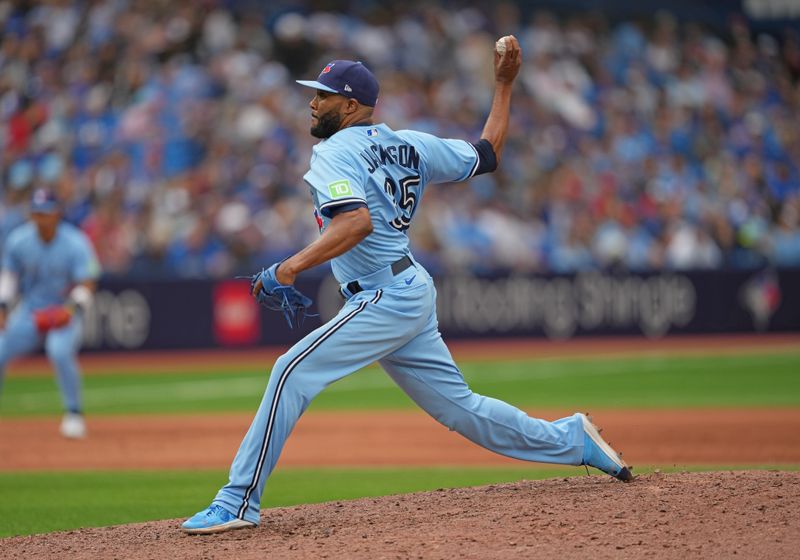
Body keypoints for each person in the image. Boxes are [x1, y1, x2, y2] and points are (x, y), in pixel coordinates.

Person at [182, 36, 632, 534]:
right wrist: (503, 86)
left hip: (384, 296)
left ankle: (237, 501)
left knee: (290, 371)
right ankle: (572, 440)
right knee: (463, 411)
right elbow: (487, 154)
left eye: (323, 95)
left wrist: (289, 268)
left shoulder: (333, 153)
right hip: (409, 287)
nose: (312, 102)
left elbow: (354, 224)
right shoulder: (409, 143)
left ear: (350, 105)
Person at [0, 188, 101, 439]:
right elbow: (9, 275)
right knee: (1, 349)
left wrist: (73, 308)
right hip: (30, 310)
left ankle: (74, 413)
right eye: (36, 213)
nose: (40, 218)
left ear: (57, 213)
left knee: (59, 351)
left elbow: (88, 281)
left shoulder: (75, 242)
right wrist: (2, 306)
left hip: (63, 310)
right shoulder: (19, 240)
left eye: (45, 213)